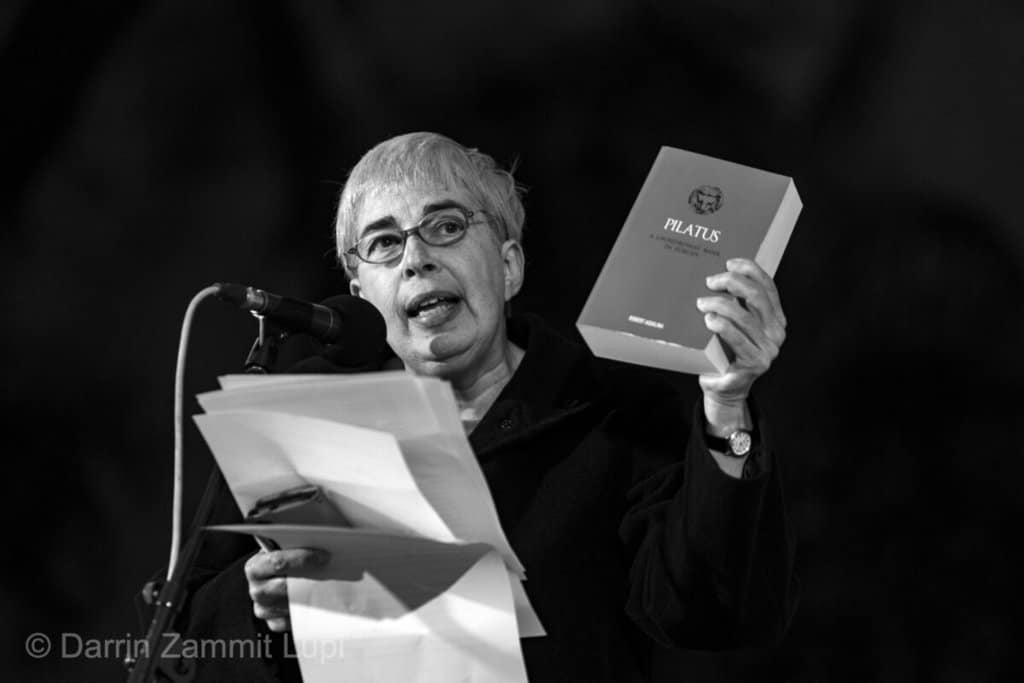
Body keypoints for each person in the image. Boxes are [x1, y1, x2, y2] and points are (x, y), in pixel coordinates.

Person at [175, 132, 797, 682]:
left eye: (445, 227)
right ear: (361, 294)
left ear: (508, 266)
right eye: (385, 243)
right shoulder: (303, 422)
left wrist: (726, 407)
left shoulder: (610, 413)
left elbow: (712, 611)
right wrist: (256, 609)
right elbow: (179, 652)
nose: (415, 259)